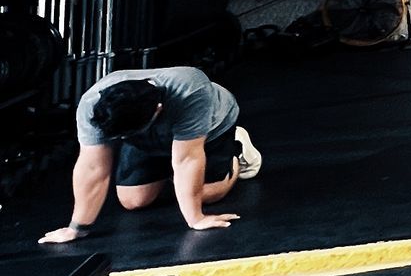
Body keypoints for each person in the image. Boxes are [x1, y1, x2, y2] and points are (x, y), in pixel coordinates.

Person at [40, 65, 262, 244]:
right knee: (133, 201)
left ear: (157, 109)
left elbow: (187, 159)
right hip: (147, 139)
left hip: (211, 128)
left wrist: (196, 218)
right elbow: (93, 167)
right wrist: (77, 229)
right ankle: (175, 180)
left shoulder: (191, 90)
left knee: (208, 194)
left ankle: (237, 150)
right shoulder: (93, 105)